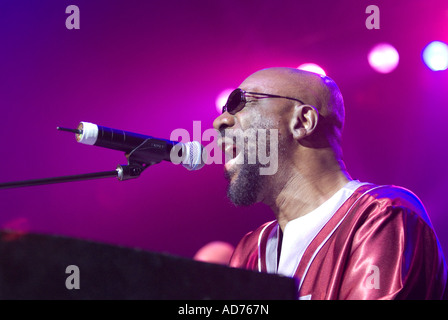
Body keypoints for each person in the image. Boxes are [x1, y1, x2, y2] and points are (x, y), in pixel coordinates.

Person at [212, 67, 447, 300]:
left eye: (239, 102)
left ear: (302, 121)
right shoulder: (249, 251)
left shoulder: (381, 217)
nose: (219, 121)